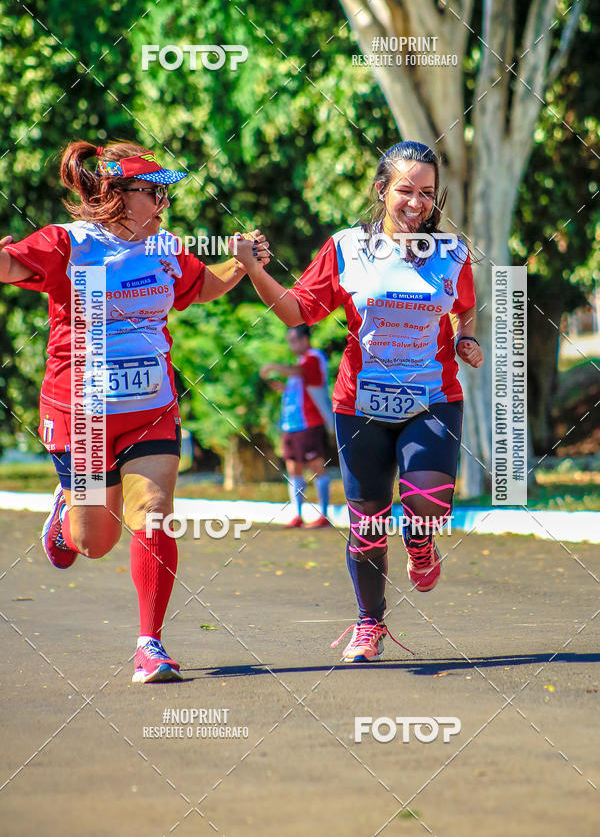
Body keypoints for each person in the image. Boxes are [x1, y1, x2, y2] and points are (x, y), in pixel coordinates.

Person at [0, 140, 268, 683]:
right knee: (92, 543)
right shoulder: (67, 244)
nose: (162, 203)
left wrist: (240, 266)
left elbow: (201, 284)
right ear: (116, 196)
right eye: (152, 192)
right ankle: (65, 512)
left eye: (163, 193)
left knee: (155, 512)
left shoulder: (166, 247)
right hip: (85, 416)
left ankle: (151, 644)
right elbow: (10, 265)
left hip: (152, 407)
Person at [231, 141, 483, 663]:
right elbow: (297, 312)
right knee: (366, 524)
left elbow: (466, 309)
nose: (418, 203)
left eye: (428, 194)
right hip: (359, 405)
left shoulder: (453, 253)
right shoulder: (346, 249)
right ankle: (369, 625)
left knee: (427, 502)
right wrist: (255, 271)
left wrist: (465, 338)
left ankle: (421, 542)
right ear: (381, 190)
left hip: (433, 399)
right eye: (406, 190)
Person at [260, 323, 333, 528]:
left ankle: (323, 514)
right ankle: (298, 514)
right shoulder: (302, 361)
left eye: (294, 341)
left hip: (309, 422)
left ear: (305, 340)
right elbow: (299, 384)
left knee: (317, 466)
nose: (291, 346)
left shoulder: (314, 357)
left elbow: (299, 372)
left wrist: (273, 367)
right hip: (291, 424)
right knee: (293, 468)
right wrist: (282, 387)